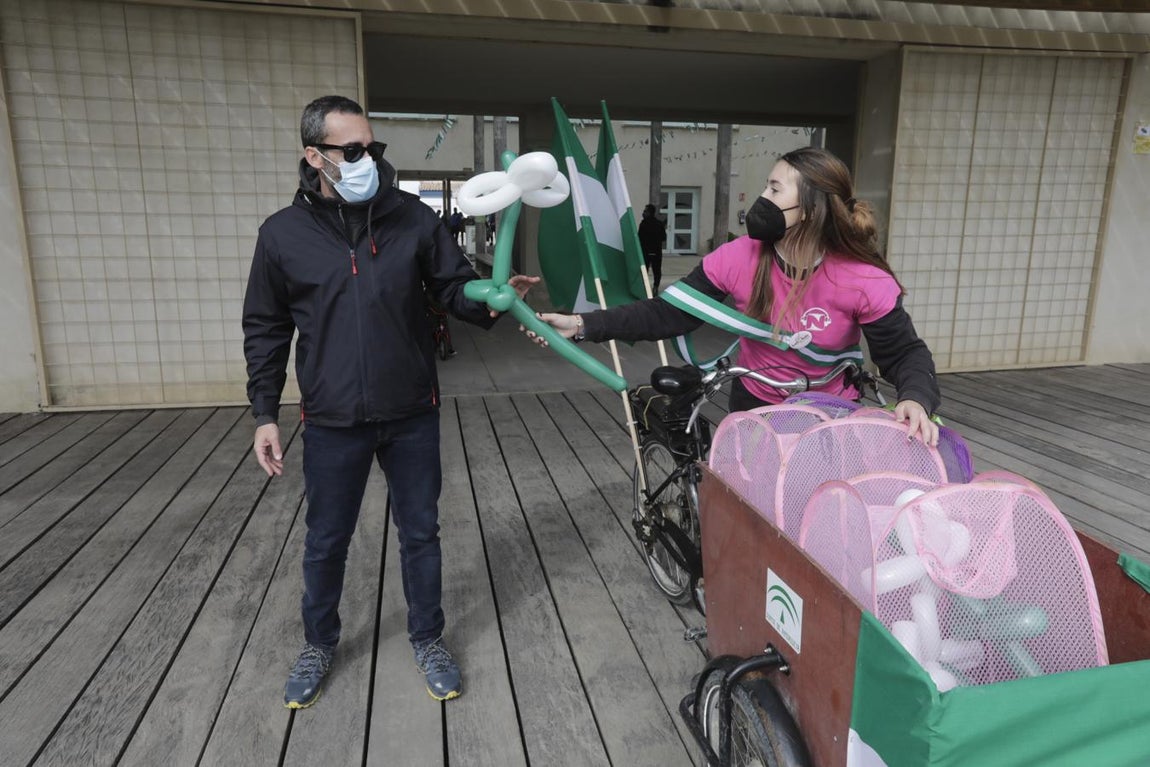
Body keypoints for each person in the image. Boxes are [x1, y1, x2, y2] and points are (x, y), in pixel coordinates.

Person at [242, 95, 536, 710]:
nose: (367, 160)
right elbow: (266, 329)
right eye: (351, 152)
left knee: (421, 533)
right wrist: (264, 413)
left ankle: (427, 637)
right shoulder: (281, 236)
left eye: (371, 149)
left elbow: (454, 287)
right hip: (331, 420)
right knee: (326, 540)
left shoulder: (411, 219)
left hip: (410, 412)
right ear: (313, 156)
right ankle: (320, 643)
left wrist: (492, 297)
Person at [527, 147, 940, 445]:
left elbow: (904, 354)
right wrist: (582, 324)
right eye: (767, 186)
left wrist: (916, 399)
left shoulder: (862, 279)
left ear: (811, 211)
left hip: (831, 413)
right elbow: (668, 315)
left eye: (775, 190)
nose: (763, 199)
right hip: (753, 404)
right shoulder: (738, 257)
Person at [638, 203, 667, 292]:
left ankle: (644, 288)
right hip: (656, 252)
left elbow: (639, 237)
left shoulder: (643, 224)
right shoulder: (659, 224)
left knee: (644, 271)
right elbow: (663, 238)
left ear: (650, 213)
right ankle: (655, 287)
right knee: (656, 271)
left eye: (645, 211)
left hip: (645, 251)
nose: (643, 213)